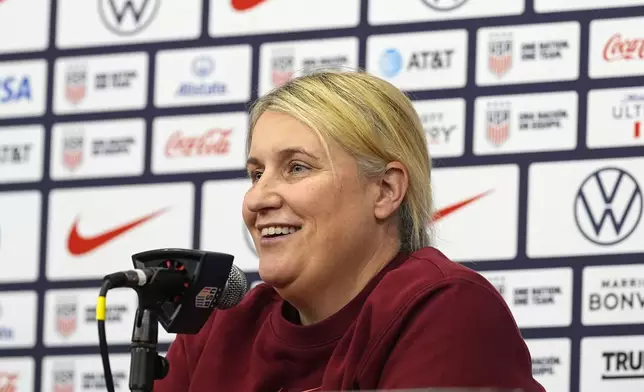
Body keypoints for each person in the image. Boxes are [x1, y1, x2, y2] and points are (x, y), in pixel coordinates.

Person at [153, 71, 546, 392]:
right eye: (257, 174)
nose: (257, 199)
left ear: (386, 190)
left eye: (297, 168)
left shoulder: (447, 310)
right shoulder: (218, 329)